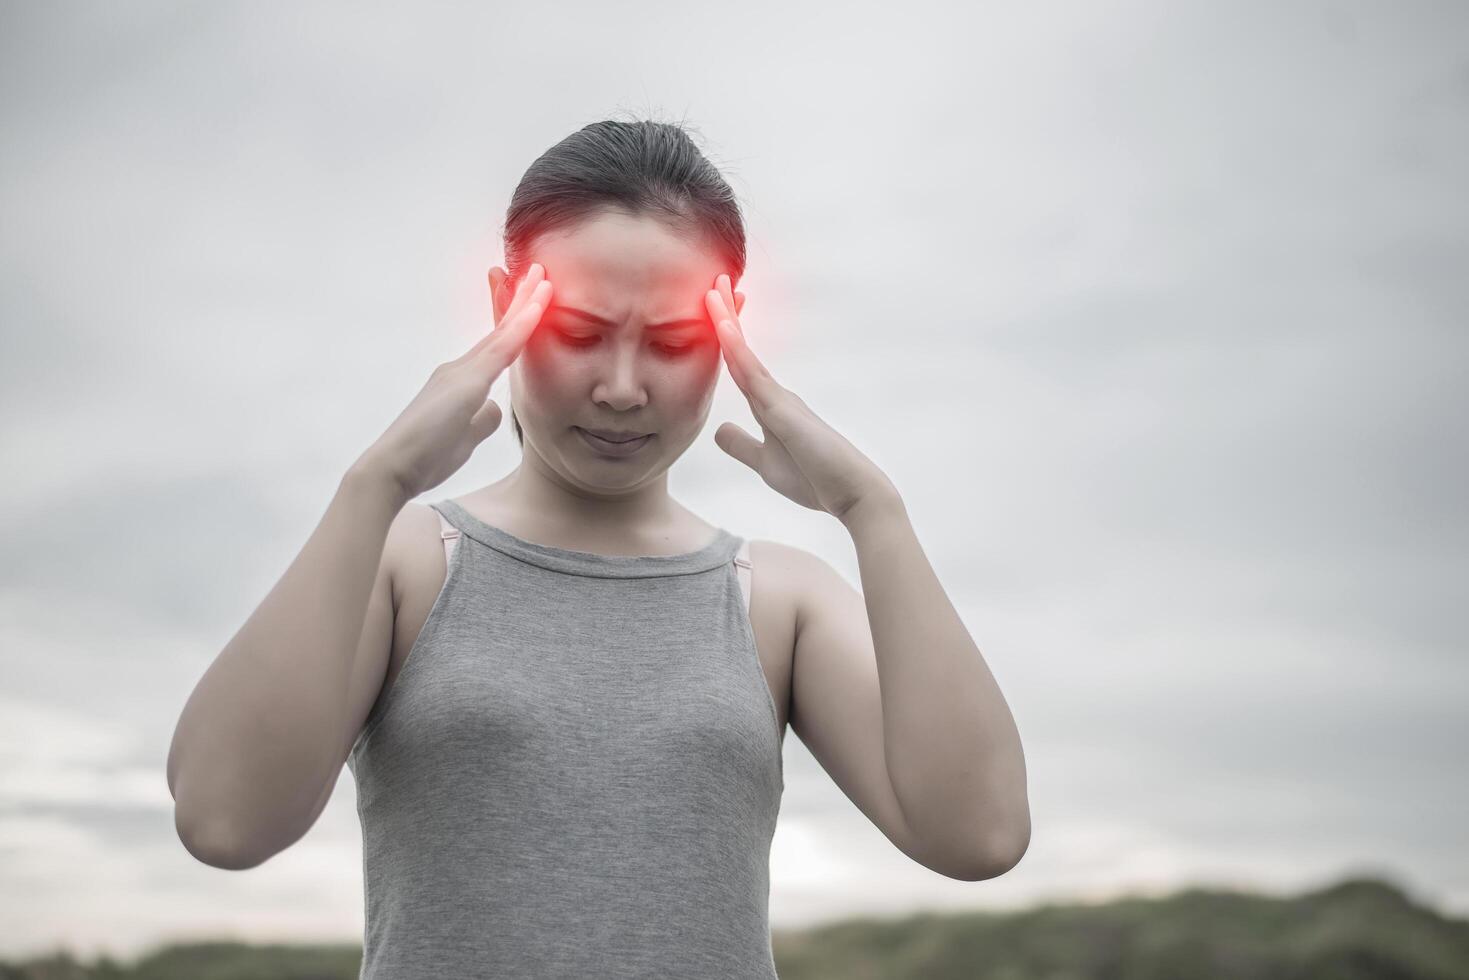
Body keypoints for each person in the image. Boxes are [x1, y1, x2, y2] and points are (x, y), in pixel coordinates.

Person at [167, 118, 1030, 979]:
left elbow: (978, 836)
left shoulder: (773, 598)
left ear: (732, 328)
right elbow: (224, 822)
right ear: (508, 307)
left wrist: (872, 511)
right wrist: (373, 485)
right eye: (578, 333)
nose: (622, 389)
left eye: (673, 342)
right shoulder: (407, 561)